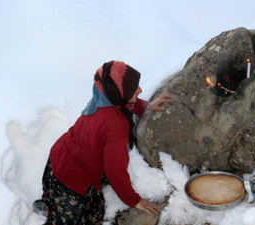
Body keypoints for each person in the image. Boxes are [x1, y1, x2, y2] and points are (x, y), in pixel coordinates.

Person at [33, 60, 172, 224]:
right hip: (73, 178)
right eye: (134, 89)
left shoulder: (103, 95)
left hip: (59, 155)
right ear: (118, 92)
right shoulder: (116, 125)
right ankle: (57, 213)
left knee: (59, 196)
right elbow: (115, 171)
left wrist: (145, 106)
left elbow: (121, 102)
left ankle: (53, 204)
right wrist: (134, 200)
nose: (140, 90)